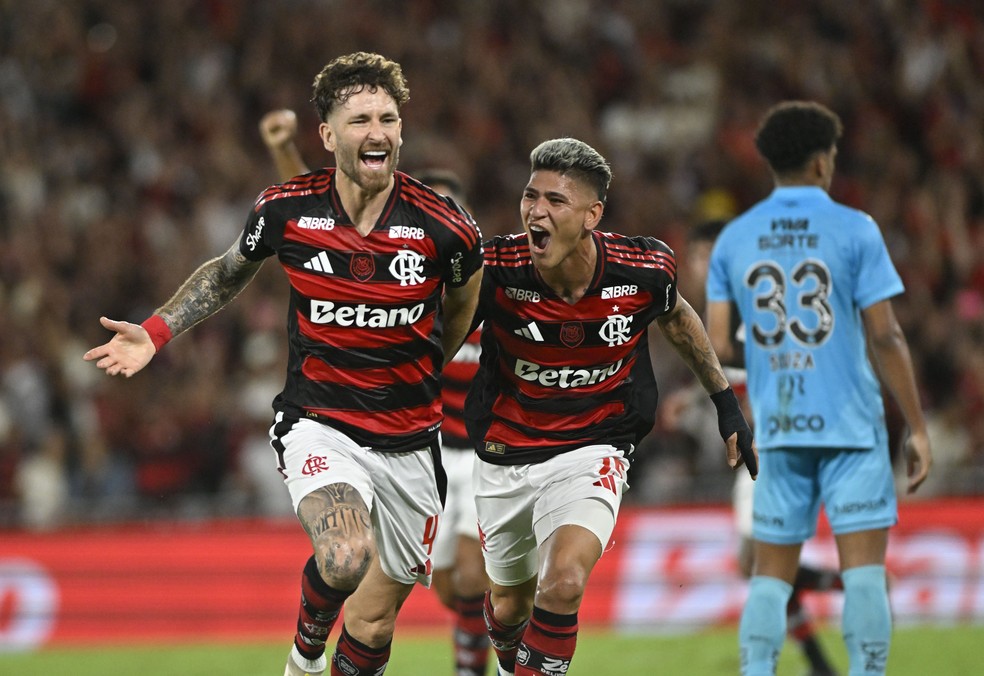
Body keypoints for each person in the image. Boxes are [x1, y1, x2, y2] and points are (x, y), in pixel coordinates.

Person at [84, 52, 483, 676]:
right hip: (321, 420)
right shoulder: (287, 208)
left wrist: (432, 358)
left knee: (375, 622)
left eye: (388, 118)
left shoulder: (445, 225)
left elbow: (464, 298)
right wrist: (156, 332)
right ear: (326, 136)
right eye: (358, 120)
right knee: (346, 554)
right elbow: (225, 273)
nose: (377, 131)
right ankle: (301, 660)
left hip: (411, 437)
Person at [465, 137, 757, 676]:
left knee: (565, 582)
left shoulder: (643, 267)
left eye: (555, 200)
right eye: (531, 197)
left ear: (592, 214)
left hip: (594, 445)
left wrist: (724, 403)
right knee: (509, 607)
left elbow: (676, 316)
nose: (536, 211)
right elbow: (436, 340)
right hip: (505, 452)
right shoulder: (494, 269)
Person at [260, 107, 492, 676]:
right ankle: (306, 656)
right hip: (365, 433)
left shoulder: (477, 291)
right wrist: (285, 151)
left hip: (462, 454)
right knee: (365, 574)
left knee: (458, 582)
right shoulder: (371, 287)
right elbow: (316, 221)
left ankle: (469, 669)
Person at [705, 101, 932, 676]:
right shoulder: (857, 229)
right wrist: (919, 427)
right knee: (862, 575)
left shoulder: (734, 238)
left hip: (778, 432)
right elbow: (886, 334)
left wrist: (770, 349)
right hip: (852, 430)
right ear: (820, 162)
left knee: (769, 577)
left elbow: (717, 345)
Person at [680, 219, 843, 676]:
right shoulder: (716, 317)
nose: (705, 266)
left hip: (781, 447)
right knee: (752, 563)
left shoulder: (757, 314)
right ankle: (827, 624)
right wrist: (691, 399)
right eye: (698, 256)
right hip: (763, 450)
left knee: (762, 564)